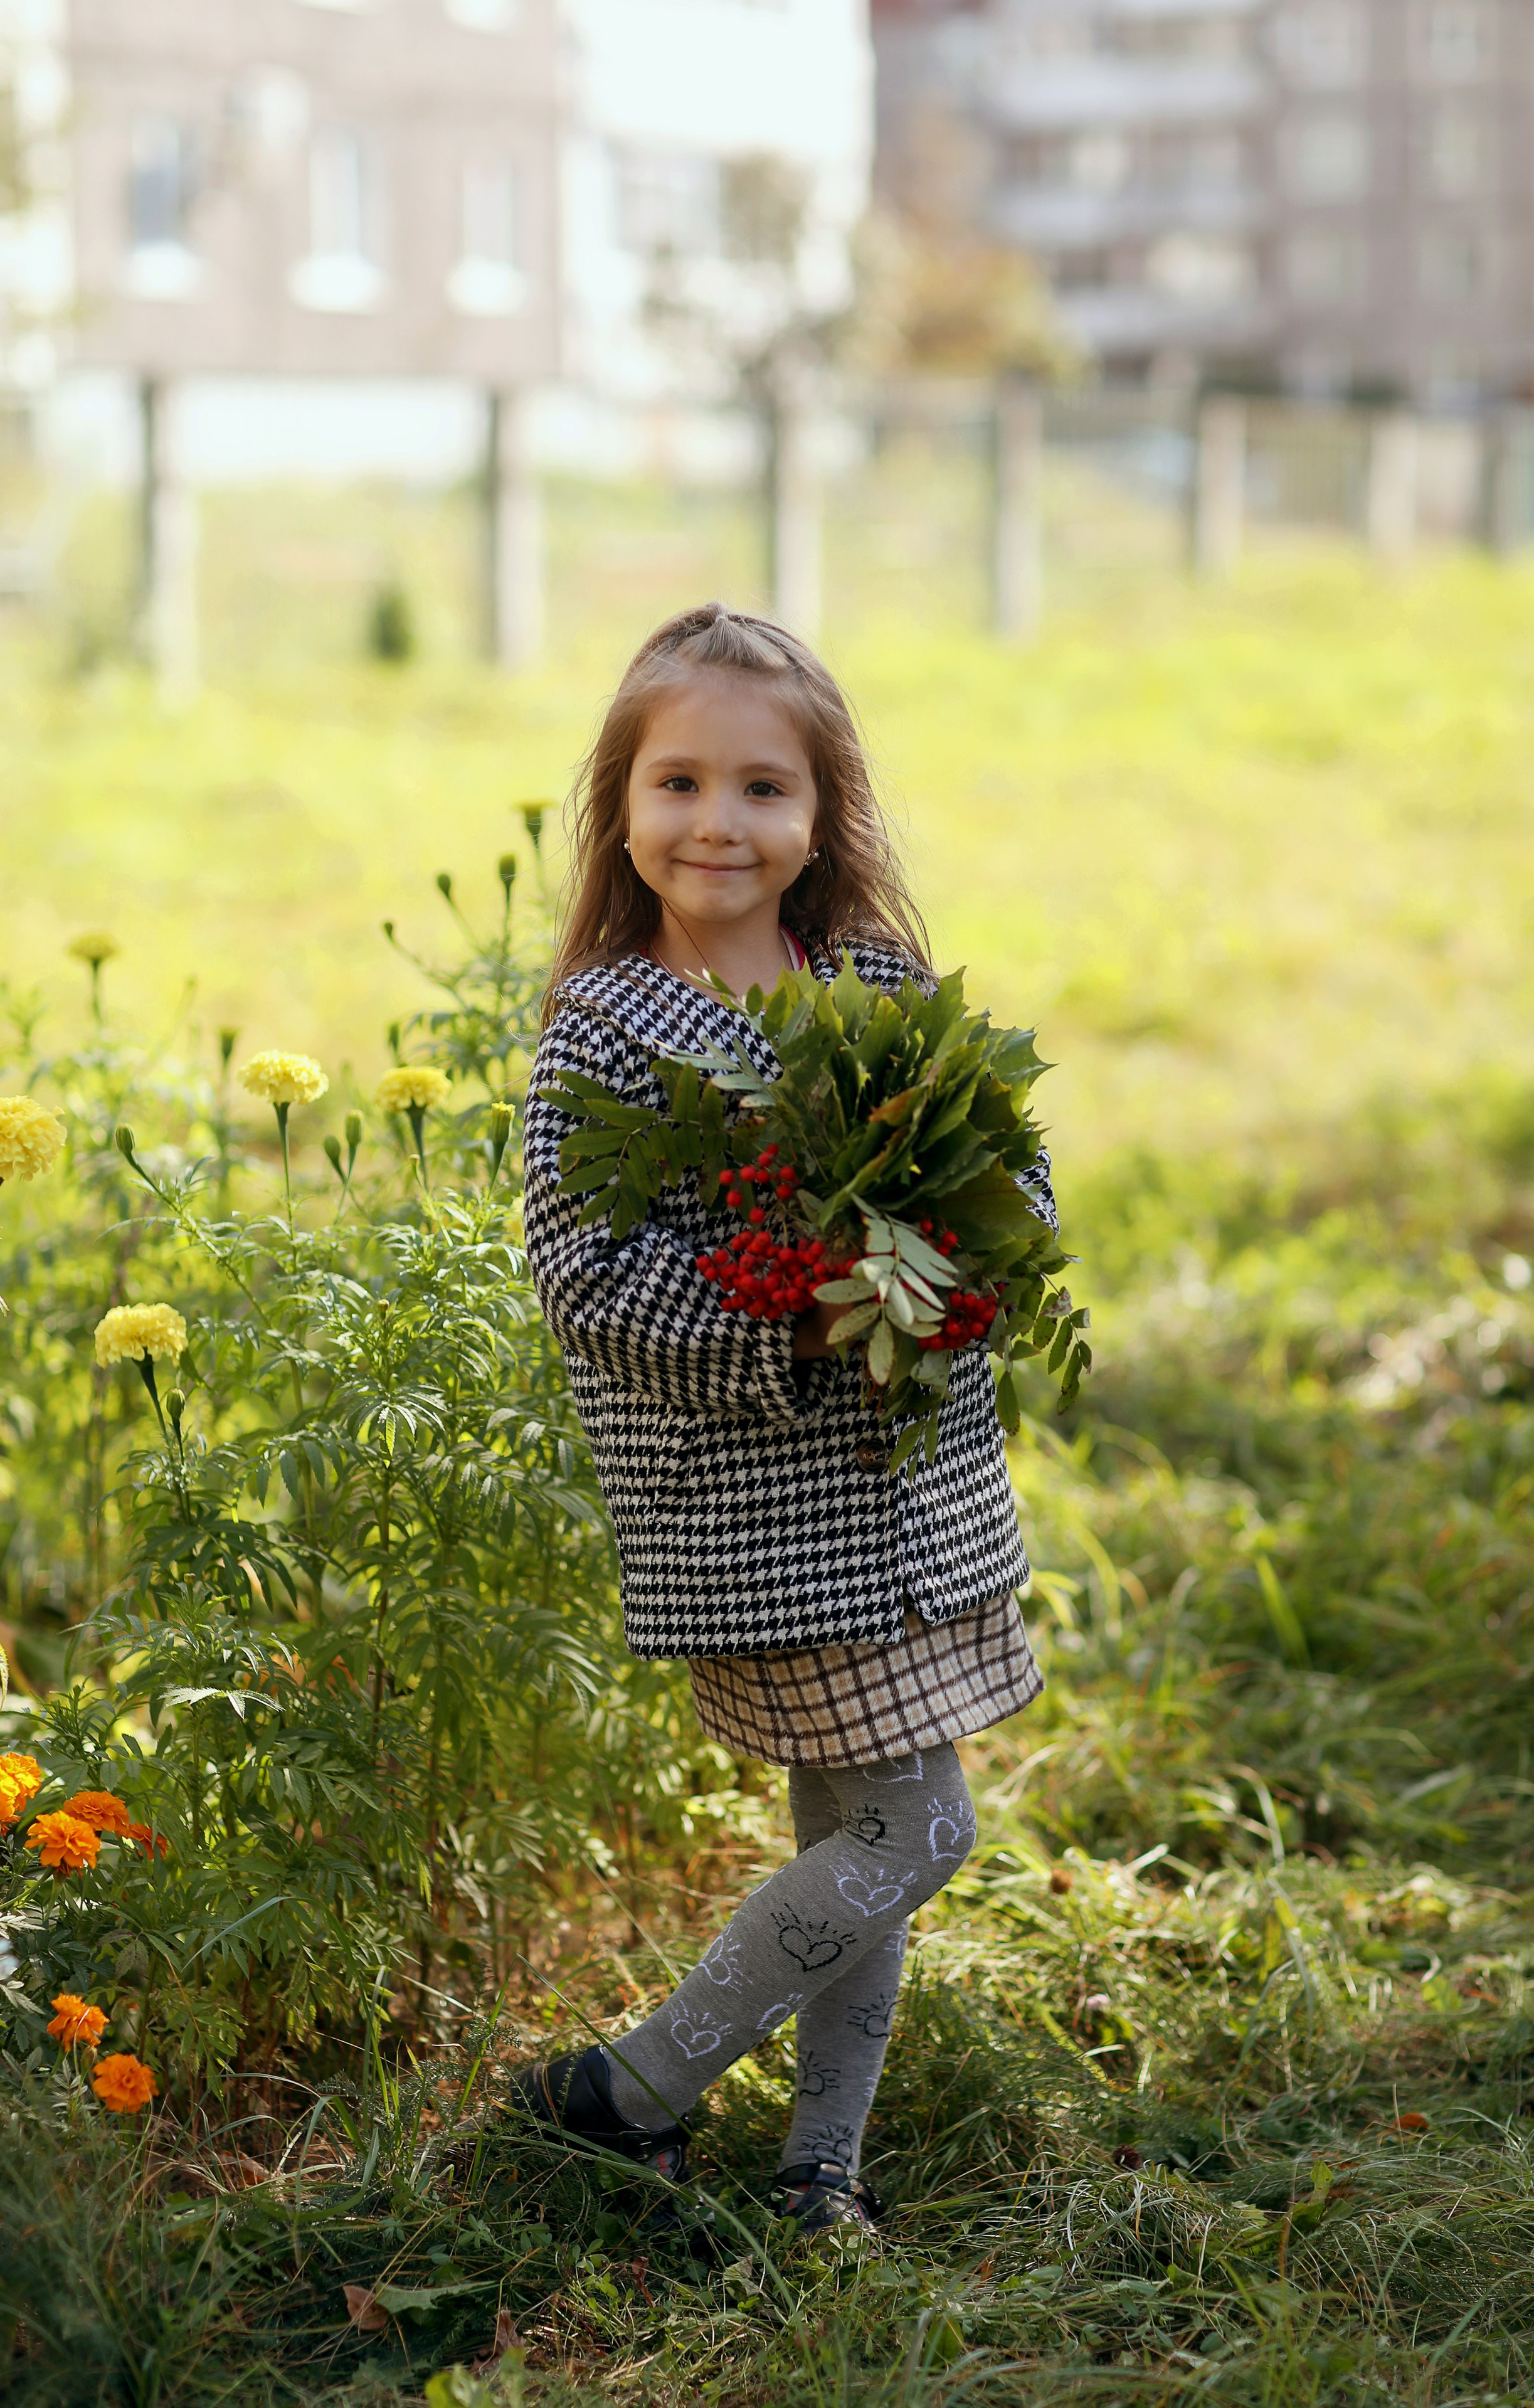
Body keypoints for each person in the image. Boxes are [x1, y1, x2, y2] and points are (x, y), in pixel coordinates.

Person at [516, 601, 1053, 2234]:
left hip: (920, 1499)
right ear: (621, 808)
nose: (719, 823)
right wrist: (811, 1317)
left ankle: (821, 2166)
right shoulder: (606, 1034)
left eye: (764, 789)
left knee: (856, 1824)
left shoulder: (881, 984)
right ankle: (627, 2092)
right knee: (922, 1823)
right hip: (756, 1515)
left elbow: (1004, 1179)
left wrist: (958, 1263)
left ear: (822, 819)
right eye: (679, 782)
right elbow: (589, 1280)